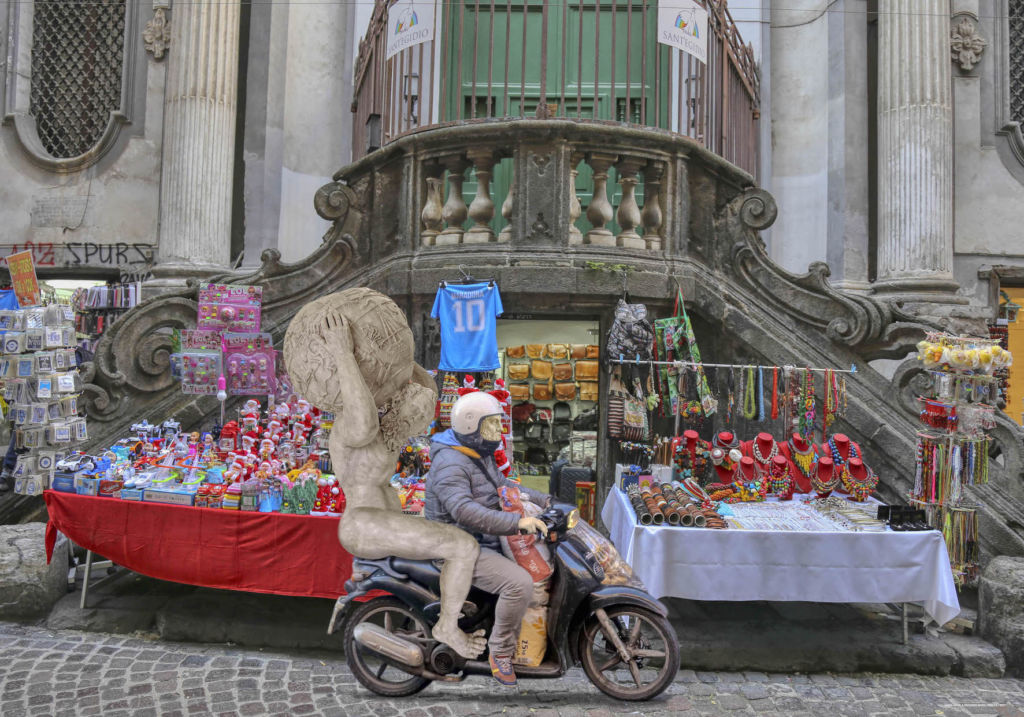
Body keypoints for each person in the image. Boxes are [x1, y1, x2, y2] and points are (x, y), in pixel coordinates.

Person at [425, 391, 552, 687]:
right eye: (492, 424)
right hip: (458, 546)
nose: (499, 430)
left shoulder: (478, 454)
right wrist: (518, 523)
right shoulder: (451, 463)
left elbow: (505, 487)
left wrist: (547, 501)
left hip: (479, 539)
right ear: (471, 426)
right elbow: (464, 511)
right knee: (518, 582)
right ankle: (501, 652)